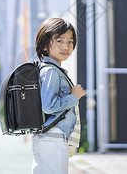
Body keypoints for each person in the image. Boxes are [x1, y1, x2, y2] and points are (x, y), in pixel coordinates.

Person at [32, 18, 86, 174]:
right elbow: (49, 106)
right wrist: (73, 96)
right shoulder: (51, 71)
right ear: (44, 45)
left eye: (70, 41)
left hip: (49, 137)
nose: (66, 46)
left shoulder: (50, 70)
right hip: (53, 138)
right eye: (60, 41)